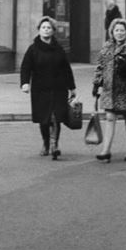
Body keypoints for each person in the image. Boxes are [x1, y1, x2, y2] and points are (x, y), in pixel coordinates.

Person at [20, 15, 77, 160]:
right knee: (44, 119)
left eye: (49, 28)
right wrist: (25, 83)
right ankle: (46, 143)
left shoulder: (59, 49)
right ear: (39, 30)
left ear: (53, 31)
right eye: (43, 28)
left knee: (57, 117)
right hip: (40, 89)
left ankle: (55, 145)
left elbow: (66, 68)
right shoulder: (33, 49)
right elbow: (26, 67)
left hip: (58, 88)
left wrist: (72, 87)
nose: (46, 30)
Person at [92, 16, 126, 162]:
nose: (119, 33)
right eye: (116, 30)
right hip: (109, 89)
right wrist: (96, 84)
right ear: (112, 32)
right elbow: (100, 67)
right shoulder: (106, 47)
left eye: (122, 30)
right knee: (110, 118)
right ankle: (106, 150)